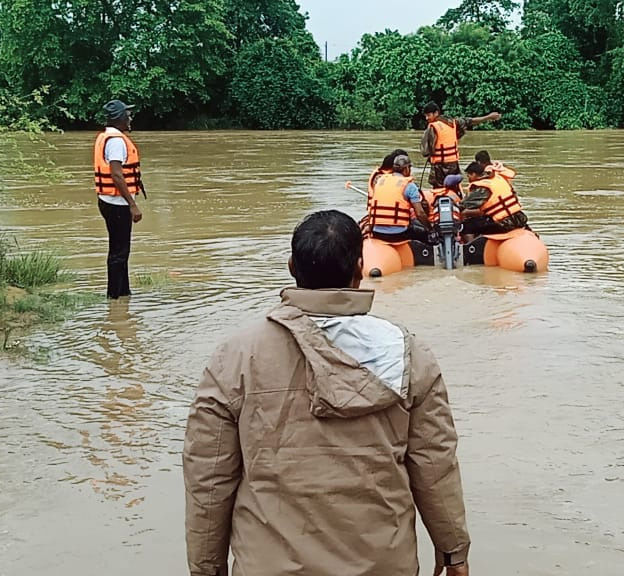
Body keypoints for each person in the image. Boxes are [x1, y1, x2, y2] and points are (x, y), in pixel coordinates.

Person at [183, 210, 471, 576]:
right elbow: (435, 464)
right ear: (360, 267)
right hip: (383, 565)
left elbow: (208, 478)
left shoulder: (235, 359)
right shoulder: (407, 354)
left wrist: (206, 568)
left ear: (291, 266)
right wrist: (453, 552)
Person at [93, 100, 143, 300]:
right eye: (127, 115)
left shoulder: (108, 136)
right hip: (117, 204)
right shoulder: (116, 141)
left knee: (121, 251)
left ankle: (123, 294)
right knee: (119, 252)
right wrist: (133, 205)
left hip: (109, 201)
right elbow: (116, 174)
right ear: (119, 118)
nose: (130, 119)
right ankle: (114, 297)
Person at [420, 101, 501, 188]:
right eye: (426, 115)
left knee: (439, 189)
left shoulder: (432, 127)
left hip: (439, 168)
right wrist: (488, 117)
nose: (426, 118)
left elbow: (425, 151)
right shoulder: (453, 122)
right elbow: (470, 121)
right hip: (453, 166)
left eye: (428, 115)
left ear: (436, 113)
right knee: (454, 186)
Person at [368, 154, 431, 243]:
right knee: (424, 233)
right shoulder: (409, 185)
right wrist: (430, 228)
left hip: (377, 232)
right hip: (399, 233)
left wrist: (370, 229)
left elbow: (372, 209)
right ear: (406, 169)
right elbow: (420, 213)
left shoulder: (380, 181)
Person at [460, 161, 528, 236]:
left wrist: (457, 206)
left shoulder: (482, 186)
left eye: (468, 176)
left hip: (503, 223)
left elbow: (466, 205)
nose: (469, 179)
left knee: (465, 227)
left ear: (474, 174)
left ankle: (471, 246)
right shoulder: (499, 178)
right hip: (519, 218)